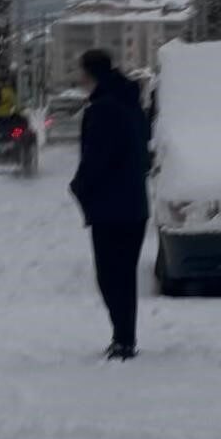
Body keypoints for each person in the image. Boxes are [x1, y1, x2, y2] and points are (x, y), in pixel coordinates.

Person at [69, 50, 151, 361]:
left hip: (110, 207)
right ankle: (125, 338)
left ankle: (123, 339)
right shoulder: (133, 104)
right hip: (135, 204)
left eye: (81, 72)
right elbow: (144, 152)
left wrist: (79, 187)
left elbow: (96, 159)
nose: (79, 78)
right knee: (125, 276)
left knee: (109, 276)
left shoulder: (102, 110)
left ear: (91, 73)